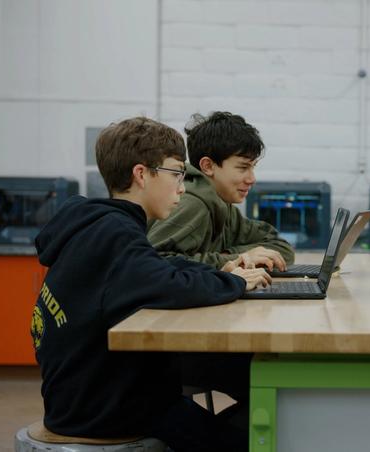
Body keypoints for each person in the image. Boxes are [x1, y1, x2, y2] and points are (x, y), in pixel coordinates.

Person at [31, 117, 270, 451]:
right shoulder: (116, 234)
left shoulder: (98, 224)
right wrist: (233, 281)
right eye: (176, 174)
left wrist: (224, 271)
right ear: (142, 174)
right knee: (249, 438)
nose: (183, 188)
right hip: (105, 409)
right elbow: (170, 284)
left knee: (235, 371)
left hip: (78, 396)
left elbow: (159, 267)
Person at [148, 111, 294, 272]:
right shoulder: (192, 205)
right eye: (243, 167)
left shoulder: (222, 205)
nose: (252, 179)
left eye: (253, 167)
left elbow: (281, 248)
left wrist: (233, 255)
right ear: (208, 166)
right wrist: (236, 259)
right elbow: (153, 262)